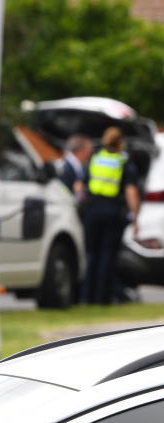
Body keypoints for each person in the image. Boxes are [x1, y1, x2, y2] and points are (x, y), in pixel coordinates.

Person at [81, 126, 141, 304]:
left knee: (92, 254)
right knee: (107, 255)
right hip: (111, 211)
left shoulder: (96, 159)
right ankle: (102, 297)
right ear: (120, 142)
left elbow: (82, 185)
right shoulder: (123, 163)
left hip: (92, 211)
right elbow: (131, 193)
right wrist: (135, 217)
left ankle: (86, 296)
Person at [58, 133, 93, 204]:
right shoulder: (65, 167)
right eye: (89, 150)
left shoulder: (77, 166)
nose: (90, 153)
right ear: (82, 151)